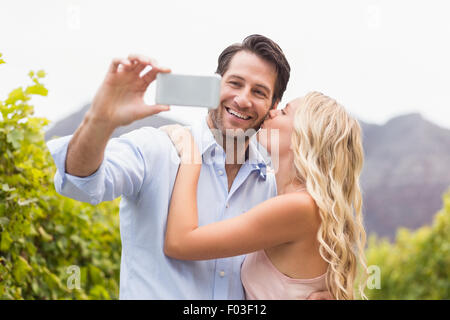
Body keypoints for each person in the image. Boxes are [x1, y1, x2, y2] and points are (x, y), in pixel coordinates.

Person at [46, 34, 331, 299]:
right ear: (214, 85)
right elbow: (80, 181)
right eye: (234, 83)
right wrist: (101, 119)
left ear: (273, 105)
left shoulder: (274, 191)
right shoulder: (158, 149)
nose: (242, 99)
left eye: (258, 91)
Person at [161, 92, 368, 300]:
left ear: (304, 137)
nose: (271, 112)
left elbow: (179, 243)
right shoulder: (306, 206)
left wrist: (190, 156)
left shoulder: (298, 207)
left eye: (284, 112)